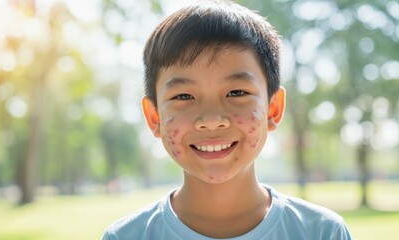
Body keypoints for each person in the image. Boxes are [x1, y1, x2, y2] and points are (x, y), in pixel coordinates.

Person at [103, 0, 352, 239]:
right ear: (154, 117)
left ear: (273, 109)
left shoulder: (321, 233)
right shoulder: (126, 236)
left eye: (236, 93)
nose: (211, 120)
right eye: (184, 96)